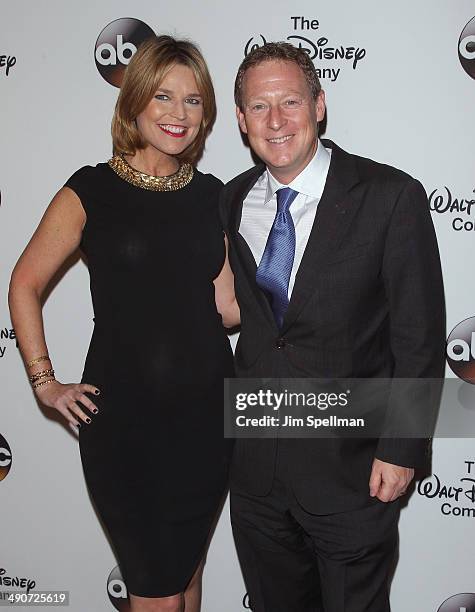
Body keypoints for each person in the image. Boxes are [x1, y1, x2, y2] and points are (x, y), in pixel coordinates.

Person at [8, 35, 239, 612]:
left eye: (193, 100)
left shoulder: (214, 197)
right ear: (133, 102)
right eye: (164, 96)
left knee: (187, 581)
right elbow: (24, 284)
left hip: (207, 419)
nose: (179, 114)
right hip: (127, 427)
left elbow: (229, 307)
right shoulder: (91, 191)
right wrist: (45, 381)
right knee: (157, 591)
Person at [219, 42, 445, 612]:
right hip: (257, 478)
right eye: (259, 106)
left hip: (354, 472)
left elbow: (418, 337)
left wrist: (401, 447)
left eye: (290, 101)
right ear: (241, 119)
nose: (276, 121)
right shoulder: (228, 201)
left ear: (319, 104)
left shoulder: (391, 197)